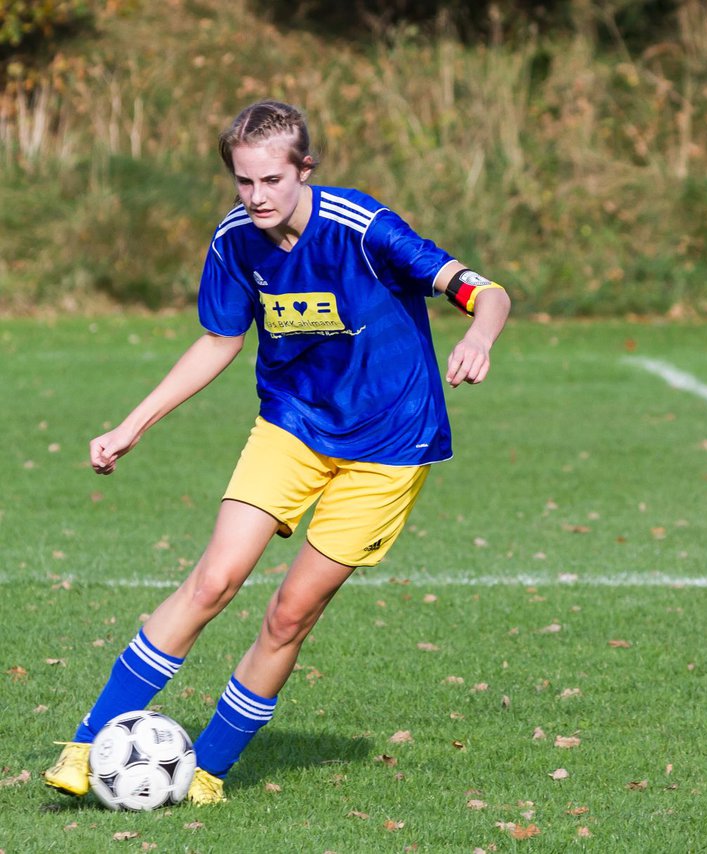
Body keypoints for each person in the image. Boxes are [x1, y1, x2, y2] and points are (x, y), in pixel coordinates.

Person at [43, 99, 511, 804]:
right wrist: (133, 424)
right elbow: (218, 340)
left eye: (271, 180)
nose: (256, 196)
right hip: (292, 425)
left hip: (390, 443)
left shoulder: (364, 229)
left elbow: (486, 290)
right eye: (243, 181)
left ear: (305, 169)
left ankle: (210, 770)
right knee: (213, 581)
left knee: (290, 614)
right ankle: (87, 747)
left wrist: (478, 334)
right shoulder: (235, 240)